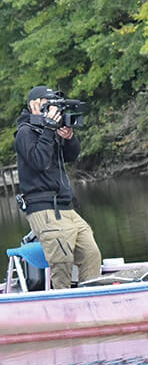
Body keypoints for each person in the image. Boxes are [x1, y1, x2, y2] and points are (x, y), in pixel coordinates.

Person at [14, 86, 102, 289]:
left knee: (90, 252)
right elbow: (39, 161)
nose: (53, 109)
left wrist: (69, 138)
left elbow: (71, 156)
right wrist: (49, 129)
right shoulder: (25, 132)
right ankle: (62, 299)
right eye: (48, 104)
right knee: (62, 261)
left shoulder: (51, 130)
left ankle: (91, 294)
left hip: (65, 205)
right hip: (43, 207)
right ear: (34, 105)